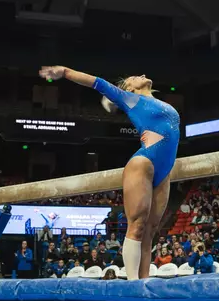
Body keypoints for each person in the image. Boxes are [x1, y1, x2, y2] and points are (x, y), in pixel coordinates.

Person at [40, 66, 180, 280]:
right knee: (138, 224)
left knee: (151, 230)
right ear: (129, 88)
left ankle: (144, 283)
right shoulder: (130, 99)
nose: (141, 74)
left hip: (164, 170)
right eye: (135, 76)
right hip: (144, 163)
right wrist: (65, 72)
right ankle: (133, 284)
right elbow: (96, 82)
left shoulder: (160, 102)